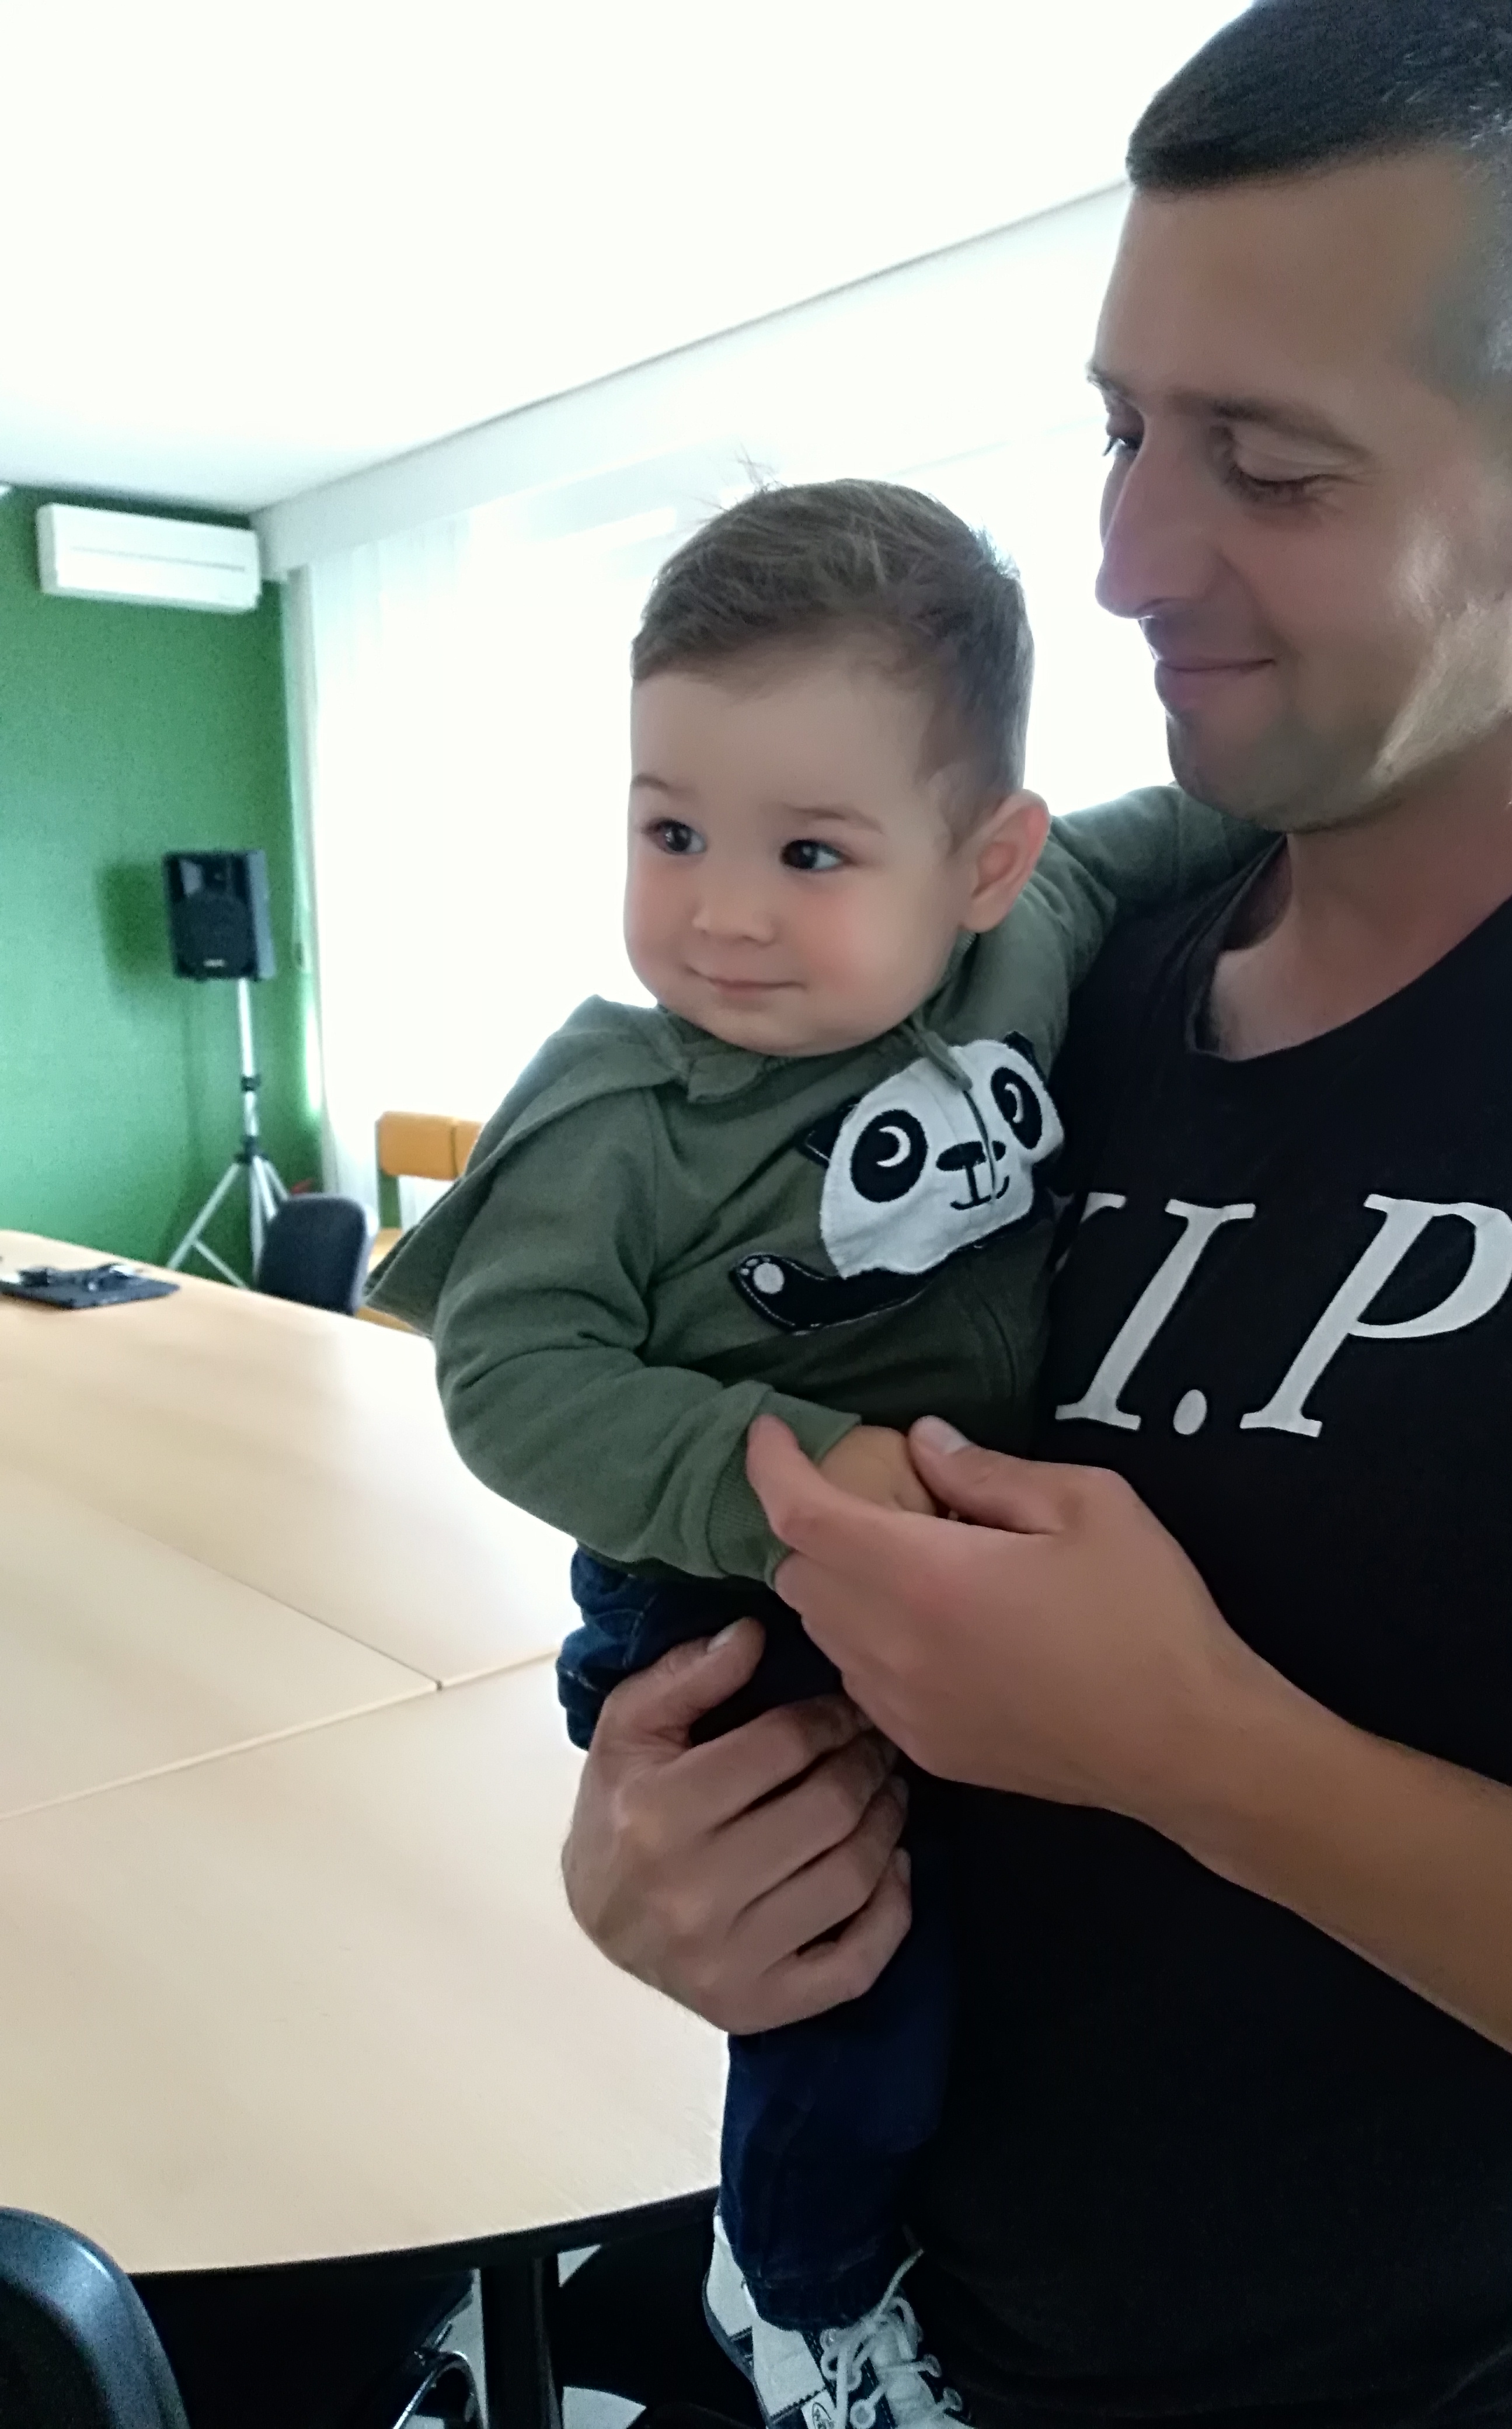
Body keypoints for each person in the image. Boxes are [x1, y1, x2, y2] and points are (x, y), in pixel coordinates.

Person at [558, 3, 1512, 2425]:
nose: (1128, 562)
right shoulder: (1025, 985)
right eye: (1127, 429)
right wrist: (662, 1853)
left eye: (1270, 463)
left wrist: (1212, 1754)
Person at [367, 478, 1256, 2427]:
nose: (723, 910)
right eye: (670, 830)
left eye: (811, 851)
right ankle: (801, 2295)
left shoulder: (1037, 937)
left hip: (962, 1579)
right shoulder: (619, 1104)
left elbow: (1210, 818)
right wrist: (789, 1473)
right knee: (853, 1976)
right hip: (729, 1599)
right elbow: (512, 1370)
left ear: (985, 861)